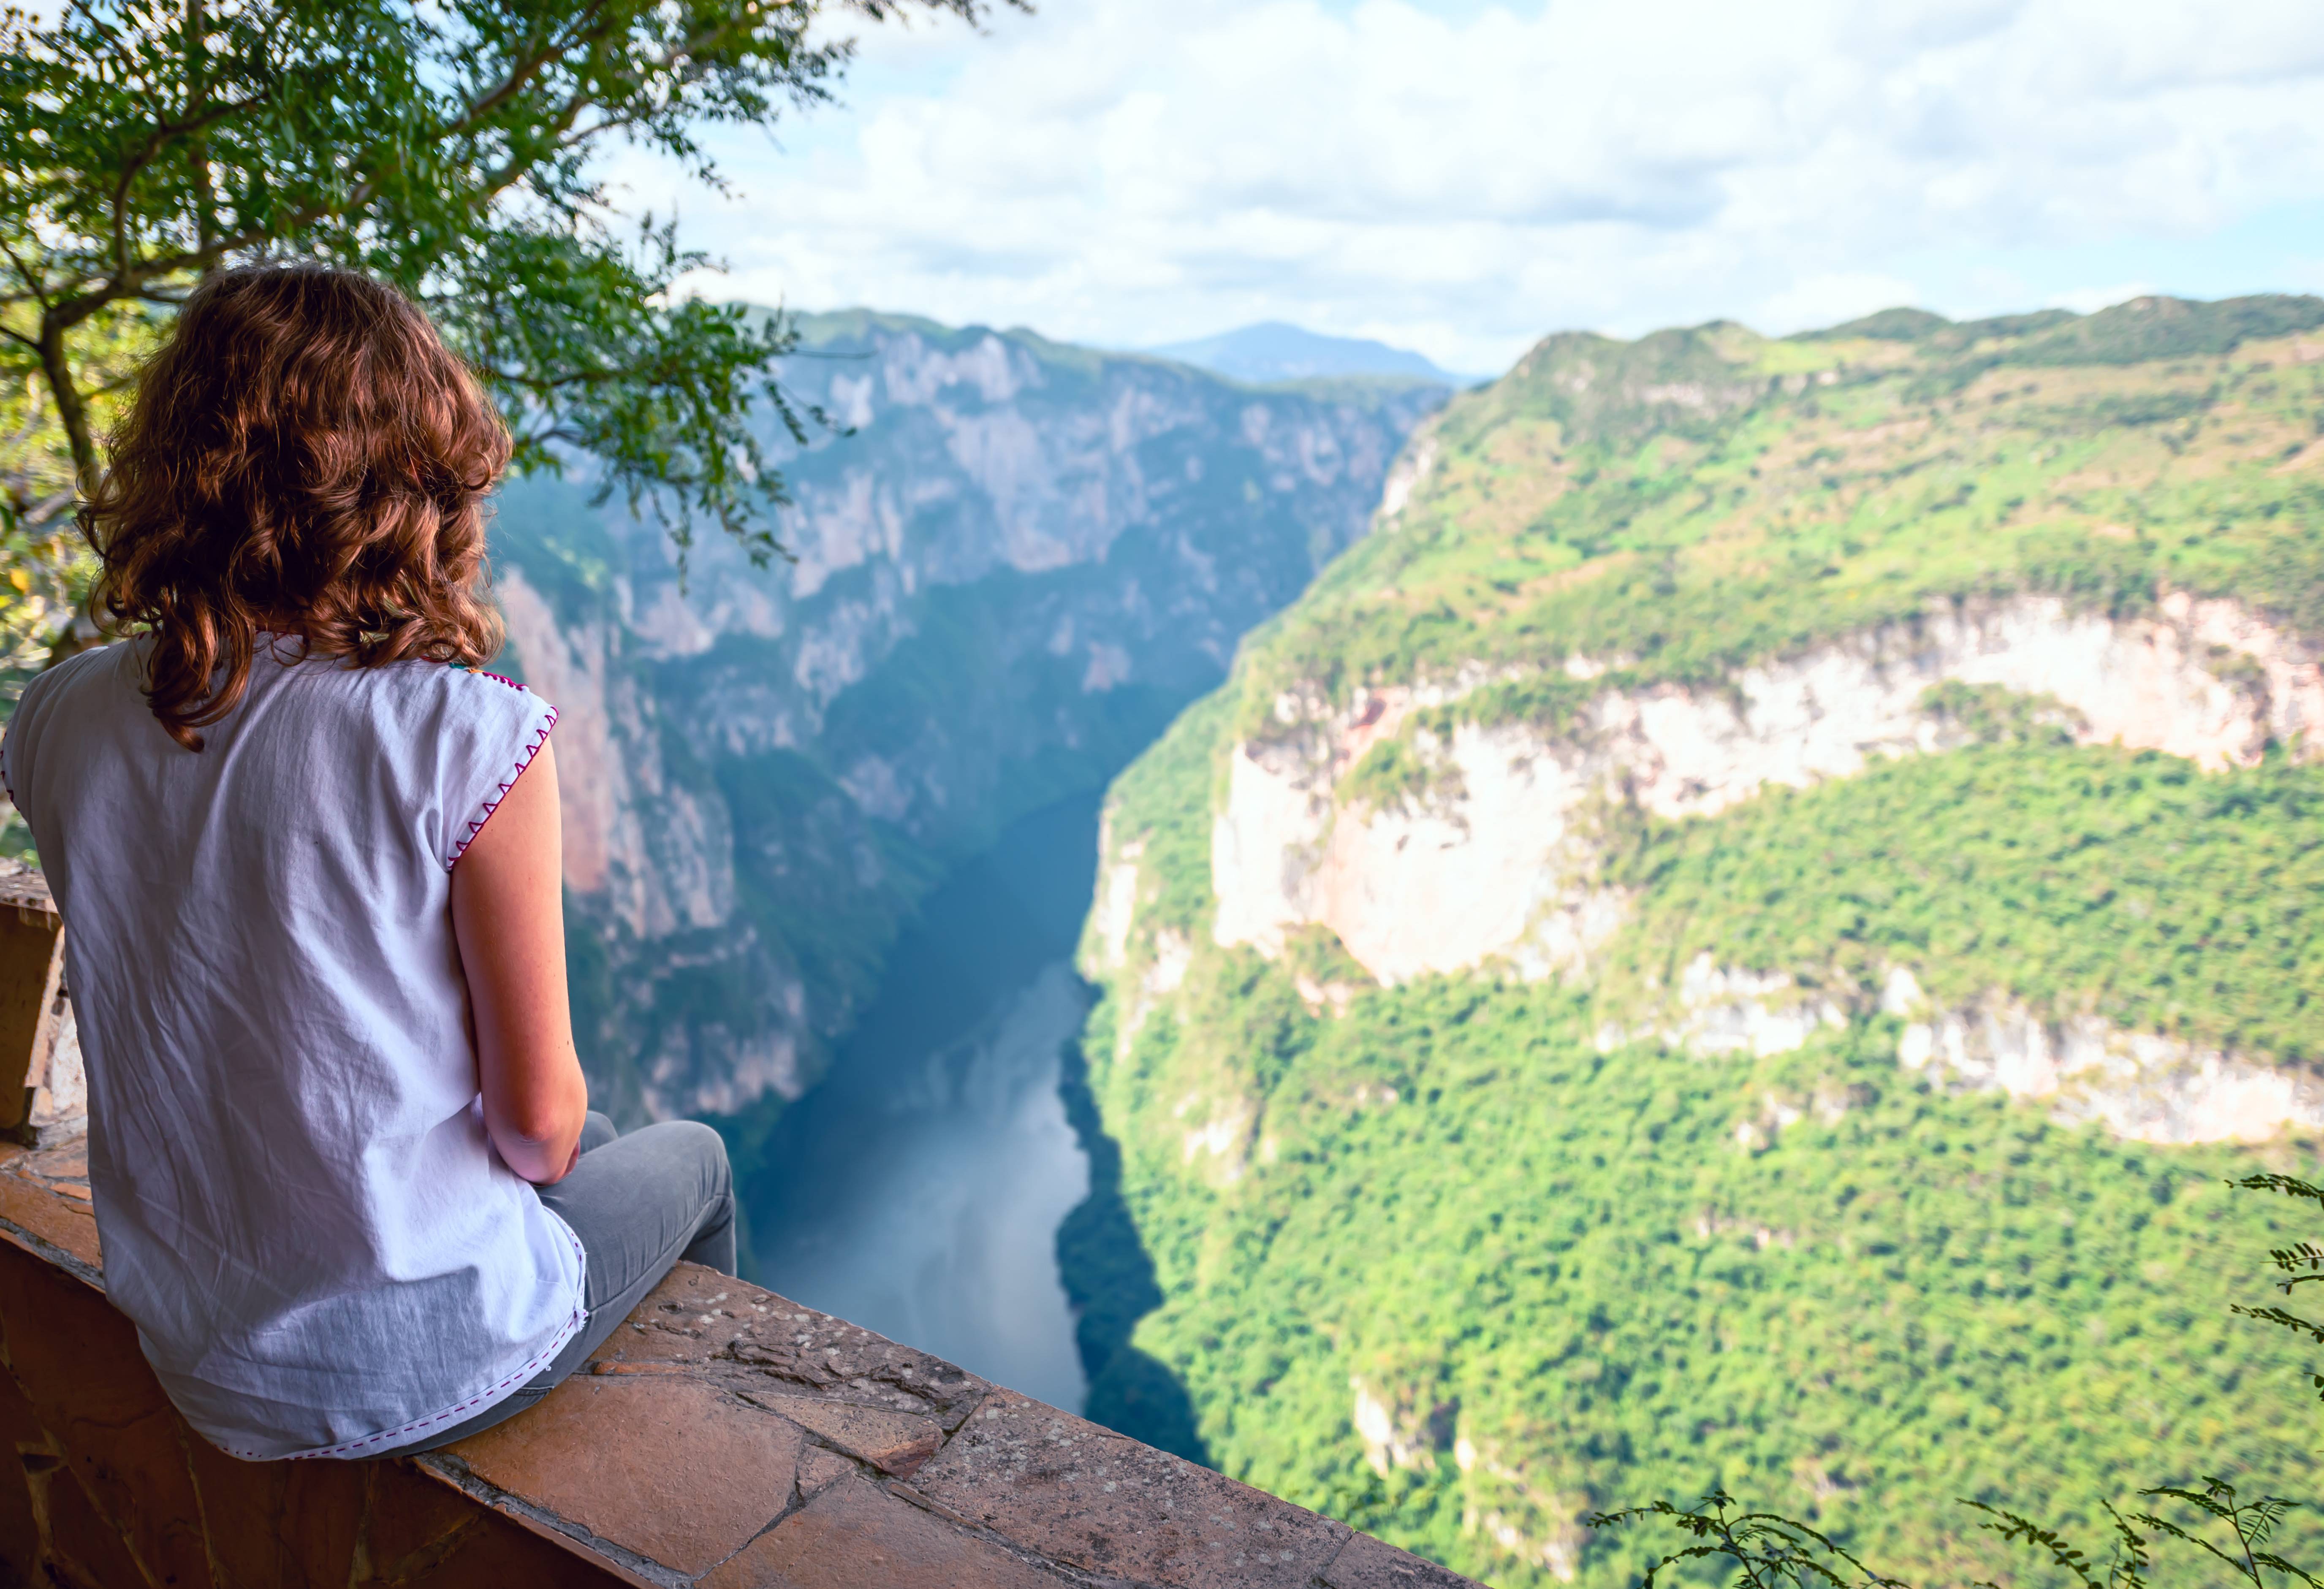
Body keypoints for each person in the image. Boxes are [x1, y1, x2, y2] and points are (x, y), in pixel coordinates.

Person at [1, 262, 735, 1462]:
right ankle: (677, 1484)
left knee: (600, 1148)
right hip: (422, 1358)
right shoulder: (466, 736)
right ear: (414, 484)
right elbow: (537, 1130)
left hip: (197, 1348)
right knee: (688, 1158)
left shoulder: (58, 714)